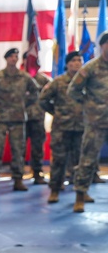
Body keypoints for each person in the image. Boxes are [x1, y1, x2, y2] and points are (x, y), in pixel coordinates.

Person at [0, 48, 39, 192]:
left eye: (16, 56)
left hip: (18, 118)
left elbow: (36, 91)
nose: (14, 59)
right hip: (1, 118)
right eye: (11, 56)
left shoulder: (24, 77)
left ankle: (18, 180)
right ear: (6, 59)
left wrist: (24, 104)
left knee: (18, 150)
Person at [68, 32, 108, 213]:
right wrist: (88, 105)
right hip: (96, 122)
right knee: (87, 160)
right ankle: (80, 195)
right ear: (102, 46)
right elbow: (73, 90)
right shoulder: (91, 68)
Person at [39, 51, 85, 203]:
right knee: (59, 161)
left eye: (80, 60)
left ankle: (81, 192)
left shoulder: (86, 82)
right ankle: (55, 190)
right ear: (67, 64)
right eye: (74, 60)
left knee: (80, 162)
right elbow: (43, 100)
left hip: (80, 128)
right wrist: (56, 113)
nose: (77, 63)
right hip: (61, 128)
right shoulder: (58, 82)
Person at [27, 69, 51, 184]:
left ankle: (37, 172)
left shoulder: (43, 79)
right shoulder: (21, 76)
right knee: (18, 148)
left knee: (37, 147)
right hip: (21, 117)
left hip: (37, 117)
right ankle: (17, 175)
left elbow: (52, 92)